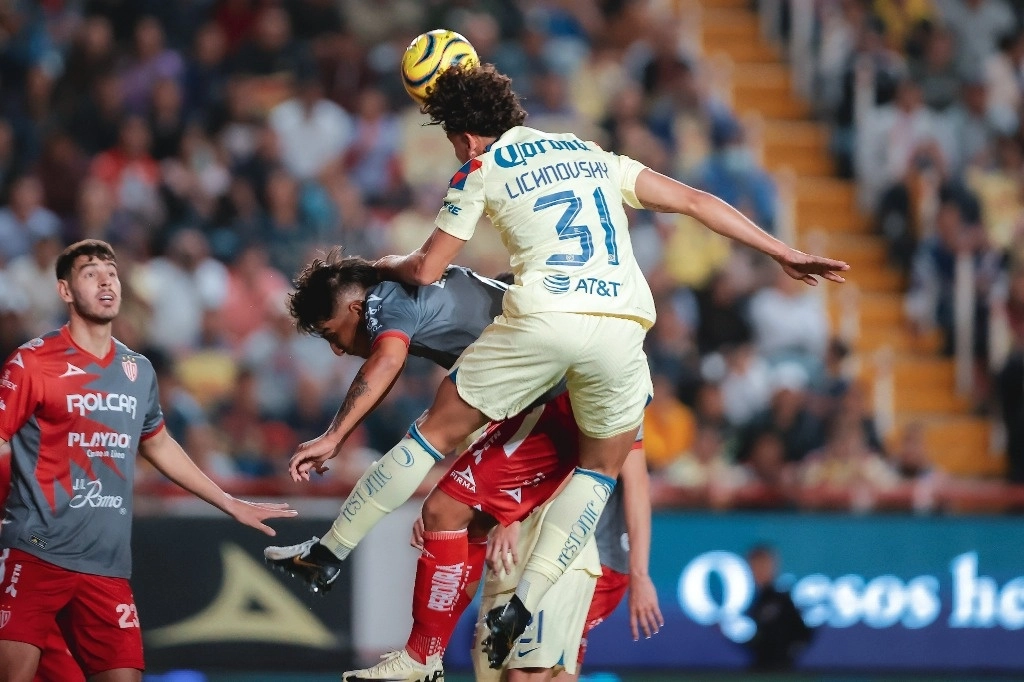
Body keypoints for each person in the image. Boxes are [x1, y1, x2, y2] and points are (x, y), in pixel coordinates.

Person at [280, 63, 848, 668]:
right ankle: (524, 603)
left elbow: (424, 270)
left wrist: (384, 262)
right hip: (624, 331)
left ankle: (333, 552)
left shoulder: (480, 166)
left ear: (466, 137)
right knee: (601, 470)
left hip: (546, 319)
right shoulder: (588, 152)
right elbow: (692, 200)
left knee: (435, 432)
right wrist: (782, 251)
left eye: (450, 139)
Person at [264, 256, 659, 681]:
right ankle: (426, 649)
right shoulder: (423, 295)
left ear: (356, 310)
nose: (338, 348)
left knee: (530, 670)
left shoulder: (388, 302)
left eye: (331, 334)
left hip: (555, 439)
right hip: (548, 433)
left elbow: (386, 363)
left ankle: (343, 571)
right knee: (454, 521)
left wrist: (334, 436)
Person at [0, 239, 296, 682]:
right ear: (65, 291)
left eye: (112, 273)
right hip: (35, 554)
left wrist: (227, 500)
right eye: (90, 274)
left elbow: (157, 443)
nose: (106, 281)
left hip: (107, 566)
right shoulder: (31, 362)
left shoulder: (138, 370)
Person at [0, 447, 85, 682]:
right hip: (20, 579)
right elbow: (20, 531)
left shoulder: (80, 467)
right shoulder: (11, 466)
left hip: (51, 586)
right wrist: (33, 539)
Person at [744, 544, 813, 671]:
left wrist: (785, 655)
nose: (758, 570)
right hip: (761, 668)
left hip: (780, 669)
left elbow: (803, 633)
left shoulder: (782, 600)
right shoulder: (754, 601)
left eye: (763, 565)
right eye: (755, 565)